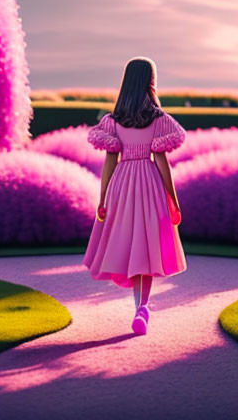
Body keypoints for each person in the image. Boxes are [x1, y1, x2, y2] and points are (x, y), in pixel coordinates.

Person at [82, 56, 187, 335]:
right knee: (147, 246)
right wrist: (173, 200)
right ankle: (142, 307)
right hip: (150, 184)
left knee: (130, 245)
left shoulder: (113, 121)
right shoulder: (159, 121)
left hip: (123, 186)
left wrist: (102, 199)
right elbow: (162, 163)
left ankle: (139, 307)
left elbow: (109, 163)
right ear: (150, 82)